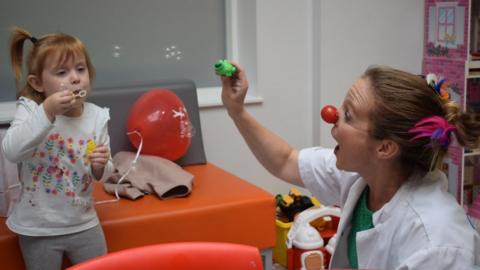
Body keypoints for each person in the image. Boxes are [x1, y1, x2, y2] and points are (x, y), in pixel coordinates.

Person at [218, 62, 480, 269]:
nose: (332, 115)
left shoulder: (437, 242)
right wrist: (237, 111)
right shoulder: (364, 176)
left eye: (349, 115)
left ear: (385, 148)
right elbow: (286, 161)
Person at [2, 26, 114, 270]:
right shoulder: (31, 110)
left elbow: (104, 174)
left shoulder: (96, 116)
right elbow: (11, 151)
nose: (75, 78)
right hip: (38, 227)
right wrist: (47, 112)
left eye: (80, 69)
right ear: (38, 83)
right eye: (62, 72)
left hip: (84, 223)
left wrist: (101, 165)